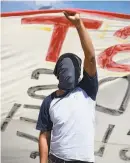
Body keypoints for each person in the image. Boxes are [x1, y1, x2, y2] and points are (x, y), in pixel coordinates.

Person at [36, 11, 98, 163]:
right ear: (58, 73)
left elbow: (90, 57)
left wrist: (78, 24)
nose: (68, 74)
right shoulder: (49, 101)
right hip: (56, 159)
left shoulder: (87, 90)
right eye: (64, 69)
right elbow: (44, 135)